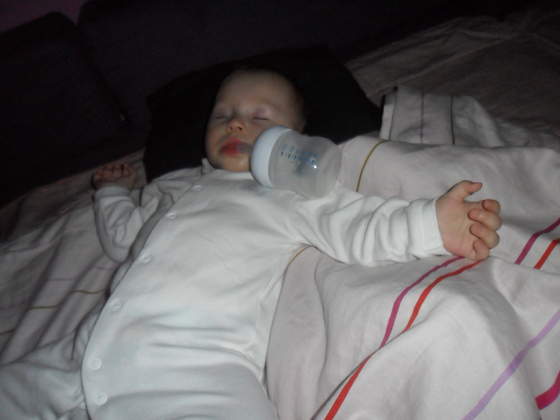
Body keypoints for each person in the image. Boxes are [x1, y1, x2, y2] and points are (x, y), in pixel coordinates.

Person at [0, 68, 501, 419]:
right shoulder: (171, 190)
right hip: (80, 354)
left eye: (260, 117)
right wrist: (113, 193)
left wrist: (431, 223)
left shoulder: (289, 193)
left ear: (297, 141)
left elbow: (356, 225)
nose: (236, 123)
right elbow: (122, 241)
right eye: (223, 115)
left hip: (192, 368)